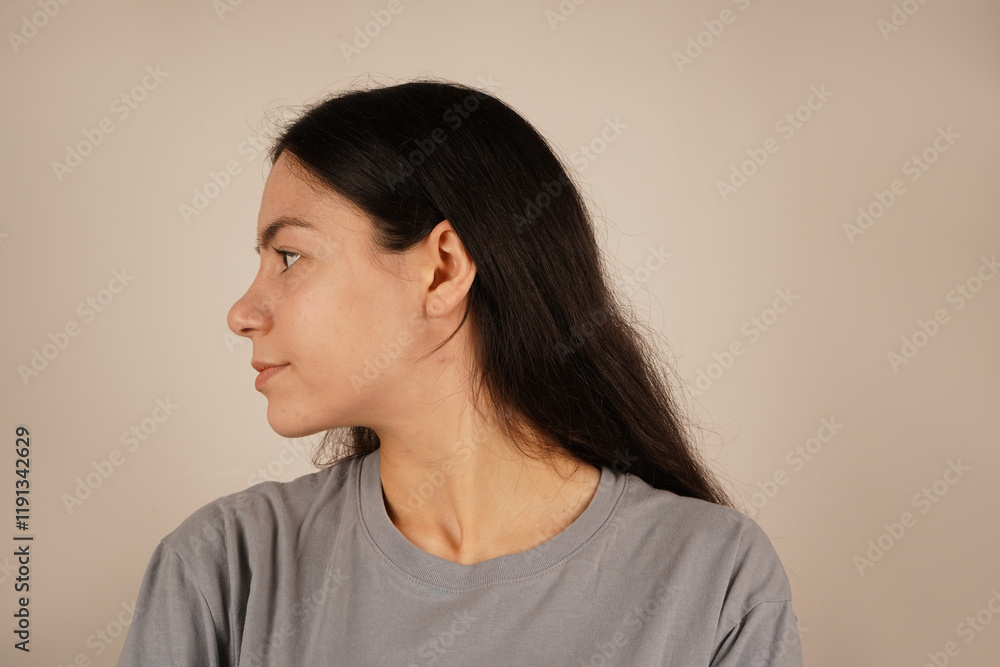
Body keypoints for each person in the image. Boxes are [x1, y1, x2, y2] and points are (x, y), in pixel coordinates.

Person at [117, 78, 803, 666]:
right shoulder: (222, 569)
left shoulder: (715, 580)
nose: (241, 312)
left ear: (442, 269)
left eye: (289, 257)